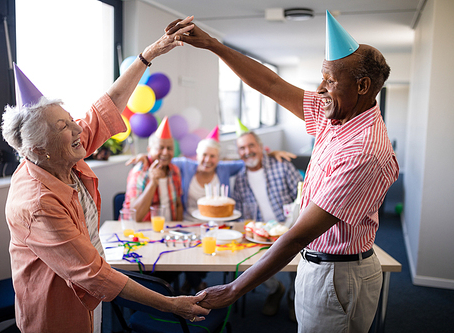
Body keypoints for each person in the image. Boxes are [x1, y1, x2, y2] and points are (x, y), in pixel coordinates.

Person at [167, 12, 399, 333]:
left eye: (329, 80)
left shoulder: (363, 150)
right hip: (316, 263)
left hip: (338, 274)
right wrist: (214, 46)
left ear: (362, 86)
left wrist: (234, 289)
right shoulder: (334, 112)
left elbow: (299, 234)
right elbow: (272, 83)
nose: (320, 88)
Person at [1, 17, 209, 333]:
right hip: (57, 311)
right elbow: (95, 274)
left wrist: (148, 54)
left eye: (71, 120)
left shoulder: (60, 155)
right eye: (63, 127)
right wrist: (171, 305)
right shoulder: (37, 202)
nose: (77, 131)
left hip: (91, 298)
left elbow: (105, 108)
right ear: (38, 148)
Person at [126, 126, 294, 295]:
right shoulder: (184, 166)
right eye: (204, 155)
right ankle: (198, 285)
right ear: (197, 156)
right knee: (191, 249)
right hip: (188, 226)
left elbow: (248, 159)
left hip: (217, 226)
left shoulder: (224, 169)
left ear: (219, 159)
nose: (207, 160)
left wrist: (270, 154)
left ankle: (196, 285)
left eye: (213, 156)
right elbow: (163, 158)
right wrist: (145, 158)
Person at [233, 130, 302, 317]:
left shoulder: (281, 166)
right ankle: (275, 290)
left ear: (261, 147)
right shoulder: (239, 179)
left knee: (299, 260)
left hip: (290, 227)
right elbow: (240, 215)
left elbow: (303, 194)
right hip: (260, 231)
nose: (247, 151)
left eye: (251, 145)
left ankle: (294, 296)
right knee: (248, 259)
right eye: (242, 148)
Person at [122, 116, 183, 222]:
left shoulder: (175, 170)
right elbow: (135, 216)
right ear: (149, 150)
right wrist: (153, 183)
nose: (165, 152)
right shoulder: (139, 172)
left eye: (169, 148)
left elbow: (178, 205)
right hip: (142, 232)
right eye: (160, 147)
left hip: (168, 232)